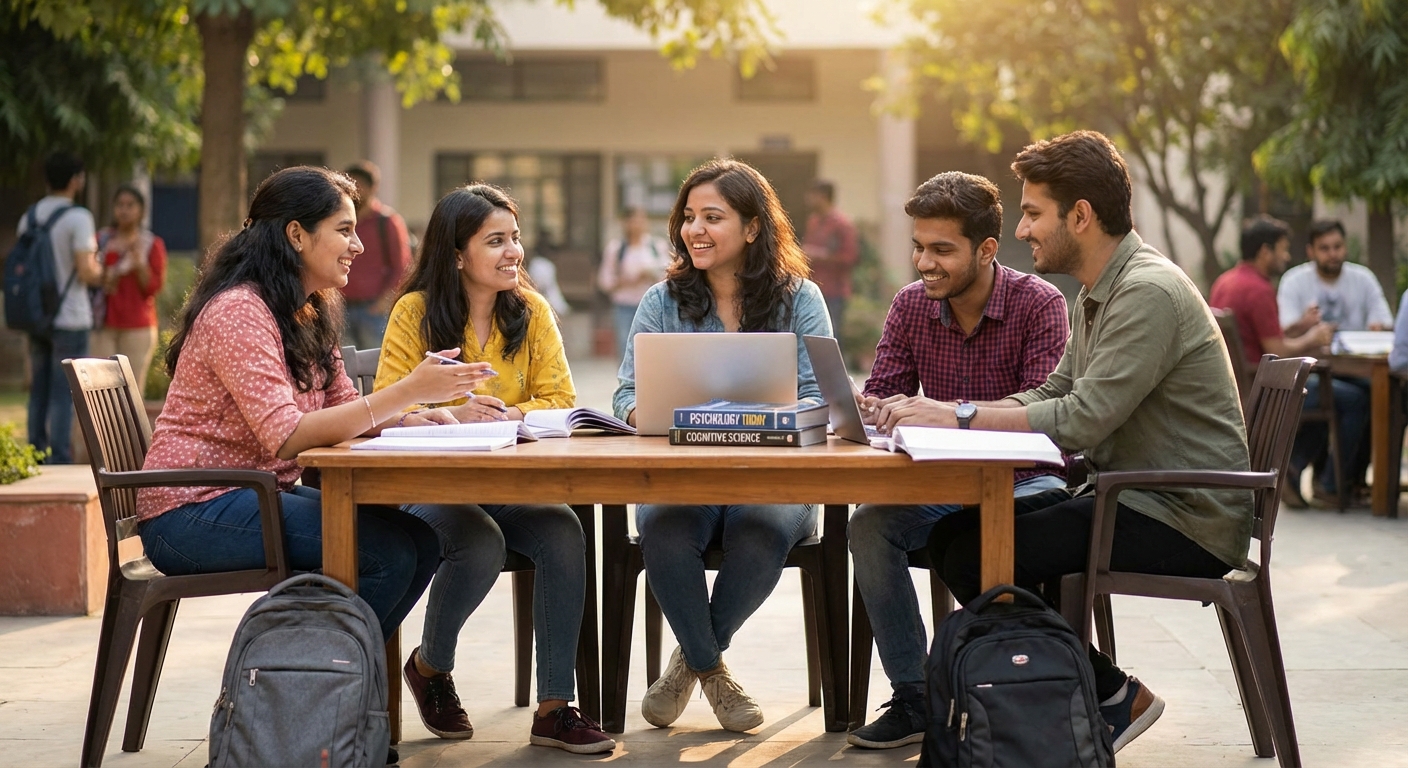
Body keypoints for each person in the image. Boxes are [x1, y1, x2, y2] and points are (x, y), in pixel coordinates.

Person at [888, 131, 1252, 755]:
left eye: (1032, 213)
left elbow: (1081, 420)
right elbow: (1050, 392)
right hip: (1131, 497)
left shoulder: (1145, 292)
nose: (1023, 229)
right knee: (954, 541)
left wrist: (959, 417)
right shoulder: (1099, 290)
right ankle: (1078, 695)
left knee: (977, 559)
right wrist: (946, 414)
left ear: (1079, 215)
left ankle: (1109, 694)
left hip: (1180, 515)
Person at [135, 165, 484, 647]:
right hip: (192, 510)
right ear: (296, 234)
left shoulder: (308, 308)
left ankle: (334, 685)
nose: (358, 245)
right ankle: (303, 684)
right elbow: (287, 434)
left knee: (420, 541)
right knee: (387, 554)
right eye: (344, 230)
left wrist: (413, 418)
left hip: (253, 492)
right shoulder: (240, 311)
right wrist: (405, 390)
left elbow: (345, 406)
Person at [372, 184, 613, 754]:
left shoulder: (531, 312)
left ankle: (555, 707)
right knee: (476, 540)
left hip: (507, 483)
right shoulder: (415, 312)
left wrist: (511, 410)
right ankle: (431, 668)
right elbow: (387, 403)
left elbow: (560, 398)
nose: (514, 253)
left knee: (563, 530)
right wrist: (452, 413)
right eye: (496, 241)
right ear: (457, 254)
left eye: (516, 238)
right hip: (426, 487)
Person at [845, 171, 1070, 750]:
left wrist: (947, 410)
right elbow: (887, 391)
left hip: (1027, 483)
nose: (925, 263)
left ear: (987, 249)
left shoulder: (1039, 304)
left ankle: (1013, 692)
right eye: (919, 247)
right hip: (943, 485)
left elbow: (1044, 414)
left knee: (975, 532)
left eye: (942, 250)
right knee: (869, 523)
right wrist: (872, 407)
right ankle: (916, 696)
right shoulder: (910, 306)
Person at [612, 159, 833, 732]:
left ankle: (689, 664)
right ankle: (715, 672)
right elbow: (625, 396)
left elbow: (820, 398)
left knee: (760, 530)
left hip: (775, 476)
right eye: (689, 217)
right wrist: (647, 413)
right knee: (662, 528)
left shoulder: (800, 298)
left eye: (713, 217)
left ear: (753, 227)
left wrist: (755, 418)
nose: (695, 230)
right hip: (685, 475)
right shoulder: (661, 301)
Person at [1209, 216, 1336, 507]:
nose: (1287, 256)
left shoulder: (1226, 281)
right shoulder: (1258, 289)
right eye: (1282, 249)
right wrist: (1314, 337)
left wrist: (1301, 326)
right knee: (1346, 398)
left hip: (1237, 383)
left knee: (1334, 394)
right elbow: (1278, 349)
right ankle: (1313, 477)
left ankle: (1304, 473)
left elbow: (1261, 337)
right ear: (1265, 251)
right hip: (1264, 389)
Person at [1276, 219, 1390, 505]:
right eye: (1324, 248)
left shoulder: (1362, 278)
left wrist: (1378, 328)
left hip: (1355, 365)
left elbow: (1384, 322)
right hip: (1309, 371)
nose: (1332, 254)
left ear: (1345, 247)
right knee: (1355, 399)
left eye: (1337, 247)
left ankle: (1346, 480)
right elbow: (1280, 335)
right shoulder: (1294, 280)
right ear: (1311, 251)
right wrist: (1306, 326)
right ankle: (1332, 482)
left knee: (1373, 393)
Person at [18, 152, 102, 464]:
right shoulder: (78, 217)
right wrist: (103, 270)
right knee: (63, 394)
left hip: (37, 315)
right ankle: (60, 460)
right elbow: (85, 271)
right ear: (75, 180)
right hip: (71, 316)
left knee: (38, 389)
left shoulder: (30, 216)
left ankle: (35, 456)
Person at [91, 184, 168, 395]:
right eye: (120, 205)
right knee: (100, 391)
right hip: (103, 324)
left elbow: (153, 287)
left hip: (138, 327)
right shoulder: (102, 241)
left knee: (131, 391)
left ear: (141, 210)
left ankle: (129, 430)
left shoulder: (151, 244)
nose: (124, 210)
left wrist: (139, 264)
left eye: (130, 205)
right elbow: (89, 275)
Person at [340, 160, 412, 350]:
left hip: (372, 310)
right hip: (339, 309)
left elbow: (402, 266)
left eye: (359, 185)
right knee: (342, 370)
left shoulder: (387, 222)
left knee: (374, 369)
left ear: (373, 188)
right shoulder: (338, 222)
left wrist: (384, 301)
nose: (355, 190)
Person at [597, 206, 670, 357]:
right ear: (625, 223)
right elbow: (605, 281)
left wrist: (649, 275)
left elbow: (669, 274)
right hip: (624, 305)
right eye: (632, 221)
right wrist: (626, 281)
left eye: (640, 220)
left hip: (653, 305)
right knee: (626, 347)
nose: (636, 224)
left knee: (652, 348)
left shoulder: (656, 247)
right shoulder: (616, 249)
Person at [801, 180, 859, 334]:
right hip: (813, 288)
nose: (808, 199)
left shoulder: (842, 224)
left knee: (832, 335)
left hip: (834, 291)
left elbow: (850, 257)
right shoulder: (813, 221)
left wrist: (821, 256)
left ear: (823, 197)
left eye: (813, 195)